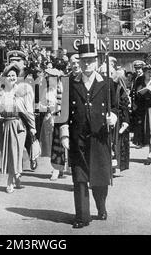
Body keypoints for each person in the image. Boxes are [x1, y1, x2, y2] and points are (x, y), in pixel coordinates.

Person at [60, 52, 117, 229]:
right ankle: (82, 216)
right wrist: (64, 134)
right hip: (78, 138)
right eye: (83, 61)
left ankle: (101, 206)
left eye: (90, 61)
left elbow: (116, 107)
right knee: (79, 177)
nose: (86, 64)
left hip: (100, 137)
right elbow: (63, 112)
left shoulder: (106, 83)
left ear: (96, 62)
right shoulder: (70, 83)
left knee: (100, 177)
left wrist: (113, 117)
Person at [0, 63, 36, 193]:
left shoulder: (22, 91)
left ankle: (10, 181)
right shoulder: (1, 92)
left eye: (14, 75)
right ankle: (17, 177)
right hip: (5, 125)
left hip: (19, 125)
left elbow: (28, 110)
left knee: (15, 152)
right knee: (9, 153)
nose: (11, 78)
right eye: (9, 75)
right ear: (5, 78)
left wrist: (32, 127)